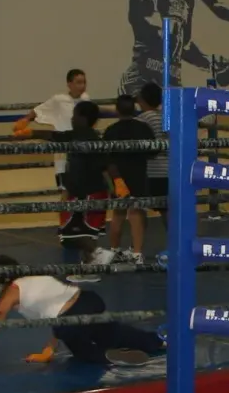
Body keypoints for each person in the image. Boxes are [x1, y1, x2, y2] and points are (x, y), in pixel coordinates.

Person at [0, 256, 164, 372]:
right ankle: (159, 341)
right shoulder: (36, 276)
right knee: (112, 332)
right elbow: (59, 309)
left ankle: (104, 356)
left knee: (81, 350)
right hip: (89, 300)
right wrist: (49, 348)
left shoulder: (10, 293)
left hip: (69, 320)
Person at [96, 92, 153, 264]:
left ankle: (114, 251)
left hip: (117, 177)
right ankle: (137, 253)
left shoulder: (111, 130)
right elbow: (153, 149)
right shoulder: (143, 128)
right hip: (138, 174)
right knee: (136, 213)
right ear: (134, 109)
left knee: (118, 213)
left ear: (117, 111)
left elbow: (104, 157)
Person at [18, 68, 89, 189]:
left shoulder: (86, 99)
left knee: (82, 184)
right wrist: (25, 120)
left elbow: (94, 112)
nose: (82, 86)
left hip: (80, 147)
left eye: (84, 82)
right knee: (65, 186)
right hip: (62, 146)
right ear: (69, 84)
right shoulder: (59, 99)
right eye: (78, 82)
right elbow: (39, 110)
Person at [57, 99, 109, 264]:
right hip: (90, 192)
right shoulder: (88, 137)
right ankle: (89, 264)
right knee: (83, 234)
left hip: (85, 194)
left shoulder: (82, 137)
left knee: (71, 235)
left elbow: (56, 137)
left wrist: (32, 133)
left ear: (83, 119)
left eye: (75, 116)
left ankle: (97, 254)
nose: (72, 119)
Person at [136, 83, 169, 236]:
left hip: (151, 171)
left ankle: (136, 248)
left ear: (142, 100)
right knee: (168, 210)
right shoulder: (166, 117)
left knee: (138, 208)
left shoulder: (142, 119)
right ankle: (177, 242)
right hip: (168, 169)